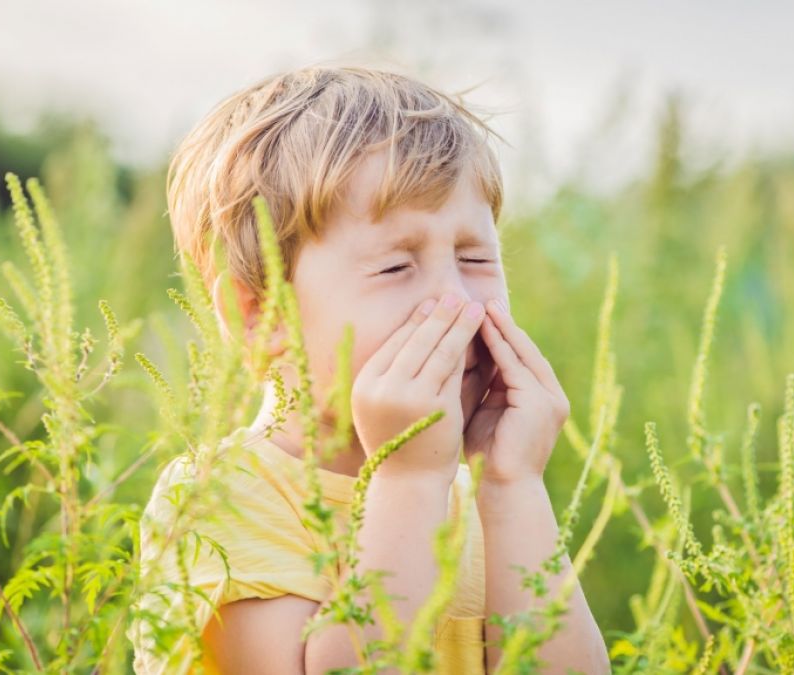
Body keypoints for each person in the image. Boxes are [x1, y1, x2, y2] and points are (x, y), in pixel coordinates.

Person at [128, 63, 608, 674]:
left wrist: (514, 486)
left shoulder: (481, 503)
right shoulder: (222, 500)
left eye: (475, 257)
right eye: (395, 268)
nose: (457, 303)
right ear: (262, 311)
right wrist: (406, 480)